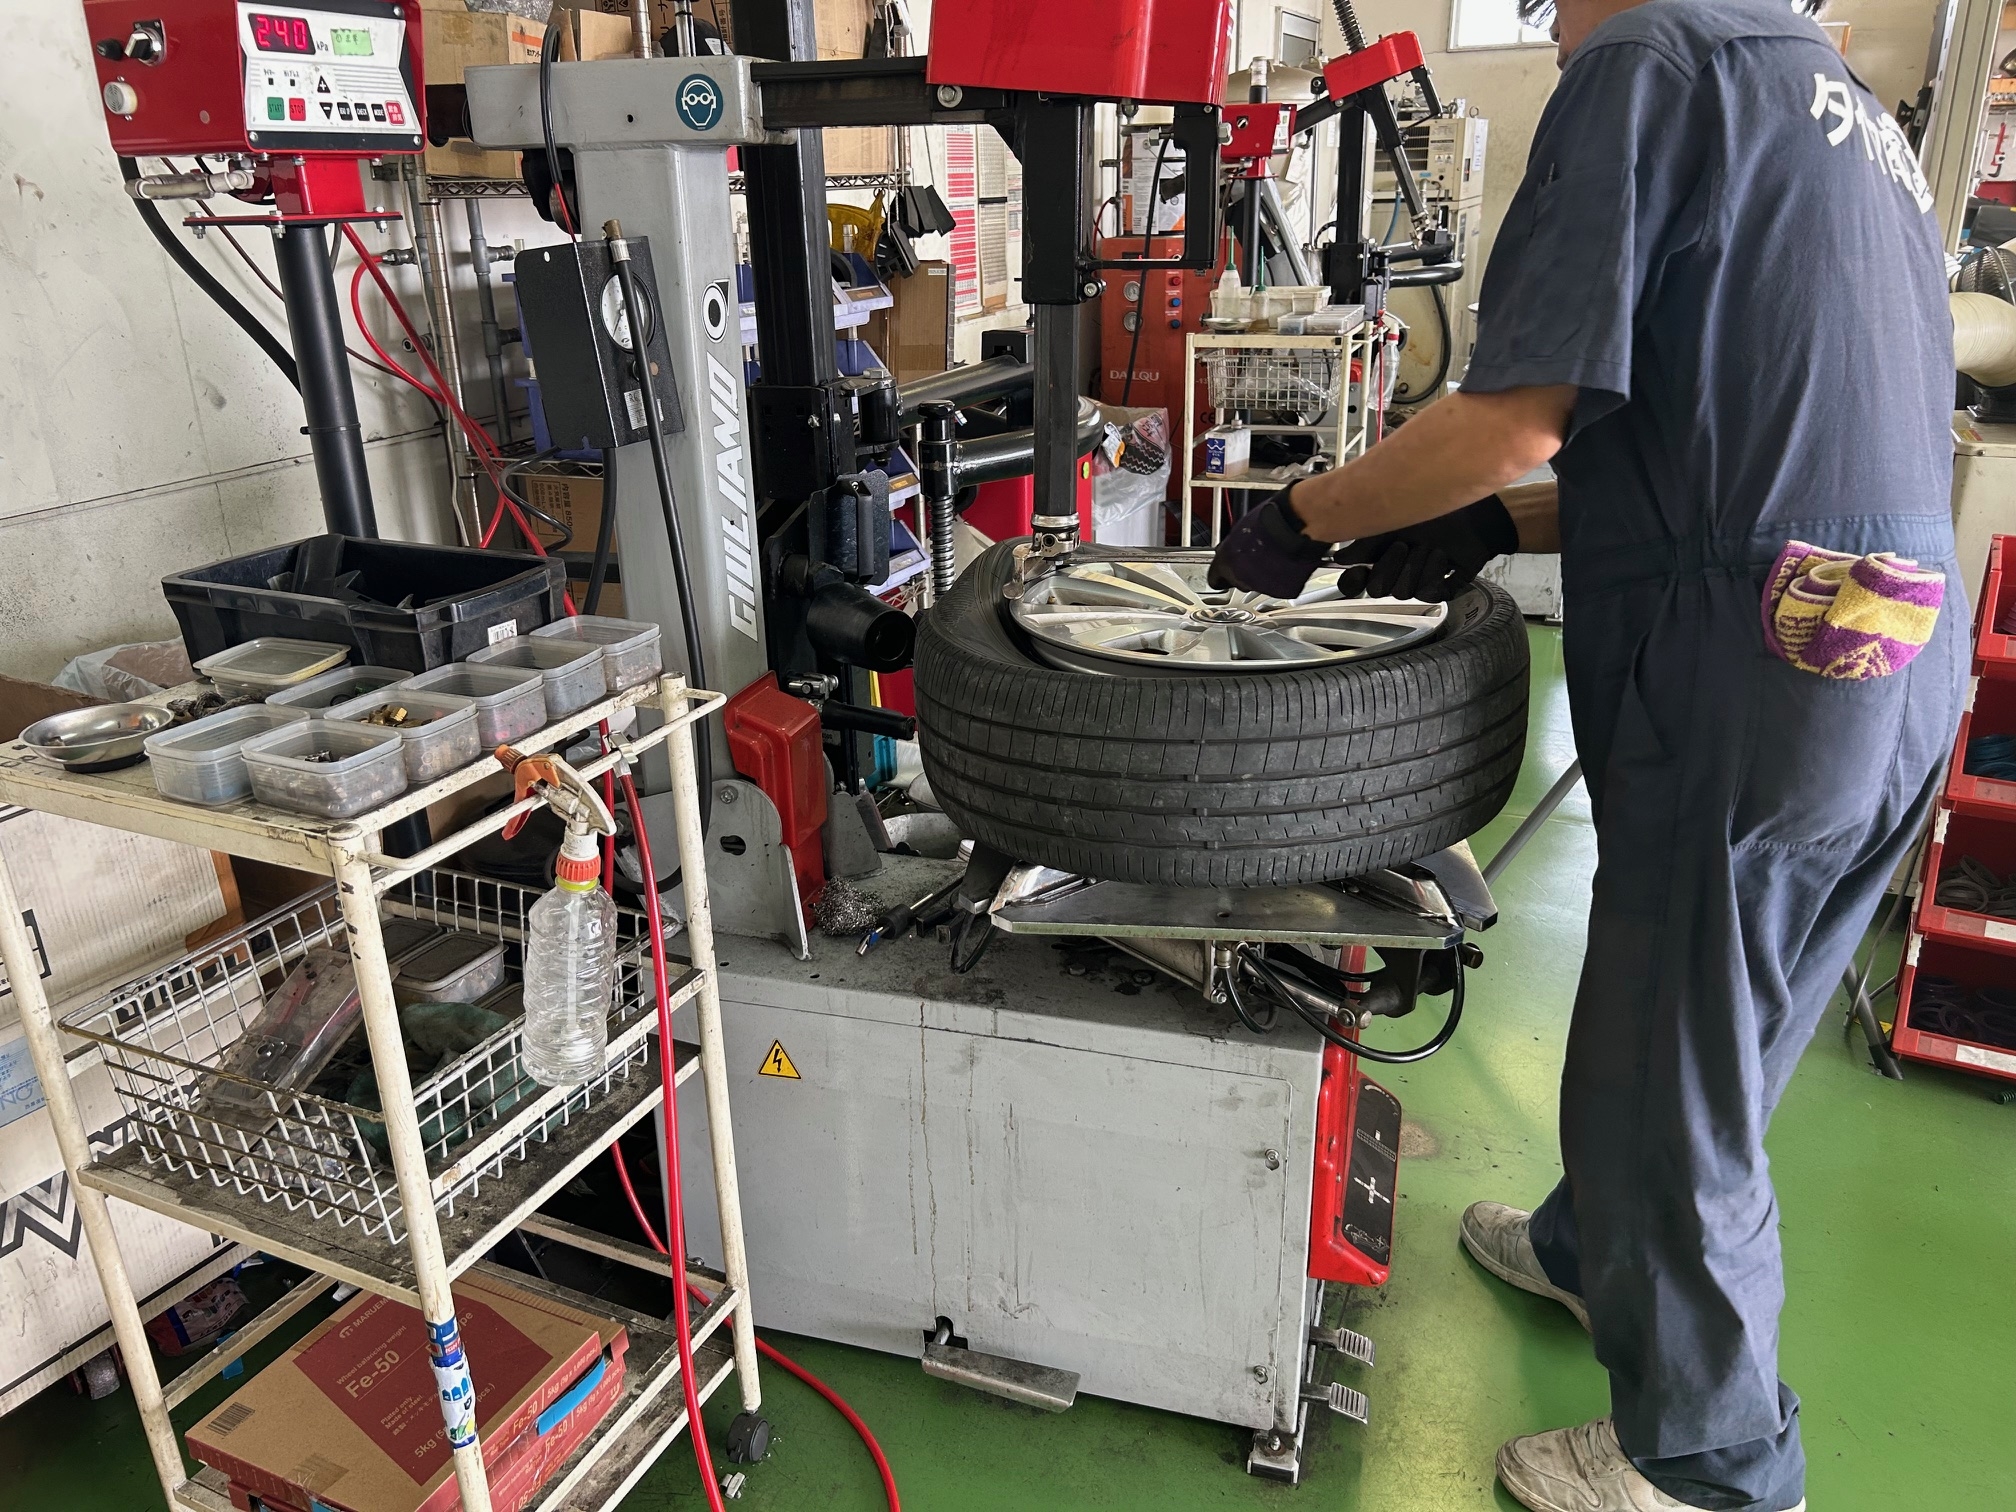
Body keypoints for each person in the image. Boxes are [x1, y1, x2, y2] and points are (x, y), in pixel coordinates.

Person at [1208, 2, 1964, 1510]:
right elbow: (1724, 434)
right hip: (1892, 638)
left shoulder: (1648, 66)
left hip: (1756, 667)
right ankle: (1590, 1249)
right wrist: (1500, 522)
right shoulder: (1832, 99)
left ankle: (1709, 1462)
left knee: (1666, 1063)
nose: (1551, 20)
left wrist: (1302, 516)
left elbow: (1511, 419)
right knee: (1730, 1029)